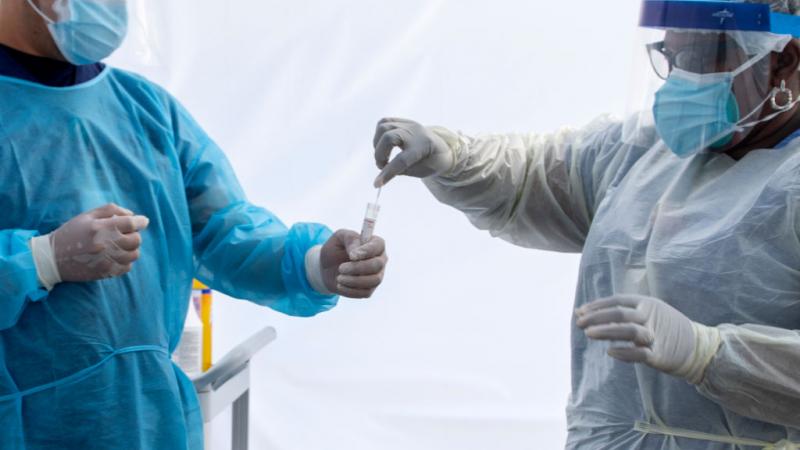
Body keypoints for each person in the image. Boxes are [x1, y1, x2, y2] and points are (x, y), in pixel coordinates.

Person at [373, 0, 800, 448]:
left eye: (697, 58)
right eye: (670, 56)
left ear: (783, 61)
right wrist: (454, 158)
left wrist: (707, 354)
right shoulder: (646, 152)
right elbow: (536, 177)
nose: (680, 80)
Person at [0, 0, 389, 449]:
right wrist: (41, 260)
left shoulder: (143, 108)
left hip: (145, 419)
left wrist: (316, 263)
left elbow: (223, 228)